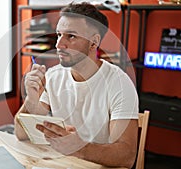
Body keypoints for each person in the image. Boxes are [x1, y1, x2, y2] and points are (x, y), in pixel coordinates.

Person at [14, 2, 139, 168]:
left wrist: (80, 148)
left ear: (93, 43)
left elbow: (126, 157)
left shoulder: (119, 83)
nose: (58, 45)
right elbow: (21, 133)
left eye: (71, 36)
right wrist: (31, 99)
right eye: (59, 34)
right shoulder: (53, 76)